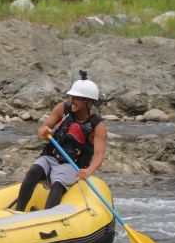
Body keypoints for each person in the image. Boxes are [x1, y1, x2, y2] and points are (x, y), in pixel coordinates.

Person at [14, 71, 107, 212]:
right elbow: (43, 130)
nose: (72, 100)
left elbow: (99, 155)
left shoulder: (97, 126)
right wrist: (45, 132)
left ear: (88, 102)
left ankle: (45, 217)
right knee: (33, 171)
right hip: (50, 156)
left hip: (71, 165)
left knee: (58, 184)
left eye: (77, 98)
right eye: (72, 97)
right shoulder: (62, 109)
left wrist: (89, 170)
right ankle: (18, 211)